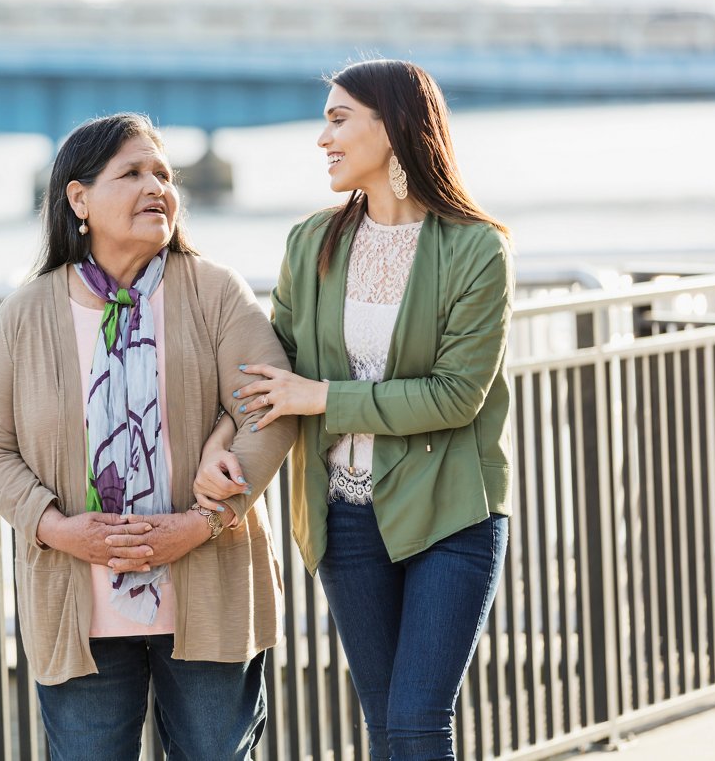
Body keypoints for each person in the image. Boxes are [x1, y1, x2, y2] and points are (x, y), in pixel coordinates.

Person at [195, 59, 514, 760]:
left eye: (339, 119)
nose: (323, 138)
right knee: (384, 726)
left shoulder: (476, 248)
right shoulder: (311, 242)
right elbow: (269, 368)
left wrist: (323, 398)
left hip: (450, 508)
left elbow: (457, 394)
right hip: (345, 515)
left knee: (417, 722)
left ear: (394, 127)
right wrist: (223, 438)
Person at [0, 112, 297, 760]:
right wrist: (61, 529)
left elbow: (271, 407)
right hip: (78, 602)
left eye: (164, 174)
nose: (158, 187)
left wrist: (205, 520)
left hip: (208, 581)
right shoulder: (27, 312)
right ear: (79, 199)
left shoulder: (213, 290)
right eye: (133, 173)